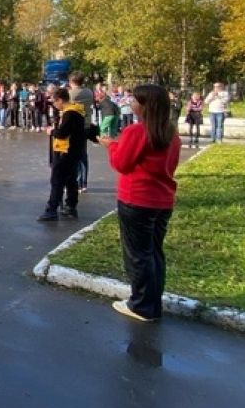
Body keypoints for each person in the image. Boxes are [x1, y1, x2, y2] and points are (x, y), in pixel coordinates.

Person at [99, 84, 182, 322]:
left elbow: (121, 164)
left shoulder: (136, 132)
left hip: (136, 200)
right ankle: (152, 303)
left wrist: (111, 146)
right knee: (154, 253)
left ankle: (141, 306)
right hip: (162, 200)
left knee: (137, 255)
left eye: (134, 101)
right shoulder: (170, 133)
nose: (130, 104)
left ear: (145, 106)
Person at [38, 87, 88, 221]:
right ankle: (71, 206)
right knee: (71, 180)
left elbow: (62, 133)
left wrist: (52, 131)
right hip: (74, 150)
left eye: (55, 102)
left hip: (65, 151)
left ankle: (52, 209)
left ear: (60, 100)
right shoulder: (75, 111)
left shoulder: (69, 113)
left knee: (57, 180)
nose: (54, 105)